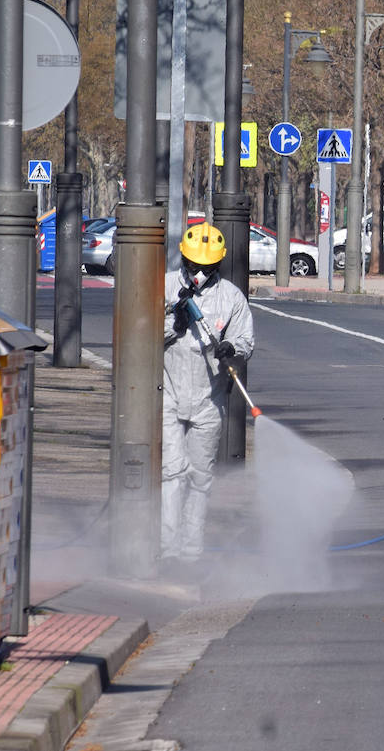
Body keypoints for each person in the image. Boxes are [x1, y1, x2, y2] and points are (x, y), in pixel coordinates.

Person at [162, 222, 255, 565]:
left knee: (199, 478)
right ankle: (168, 551)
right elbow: (142, 335)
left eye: (206, 268)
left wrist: (232, 347)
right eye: (192, 266)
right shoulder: (168, 286)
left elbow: (245, 339)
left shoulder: (231, 297)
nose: (197, 273)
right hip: (168, 392)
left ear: (216, 266)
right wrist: (174, 323)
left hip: (208, 399)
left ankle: (191, 554)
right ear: (184, 260)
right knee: (171, 473)